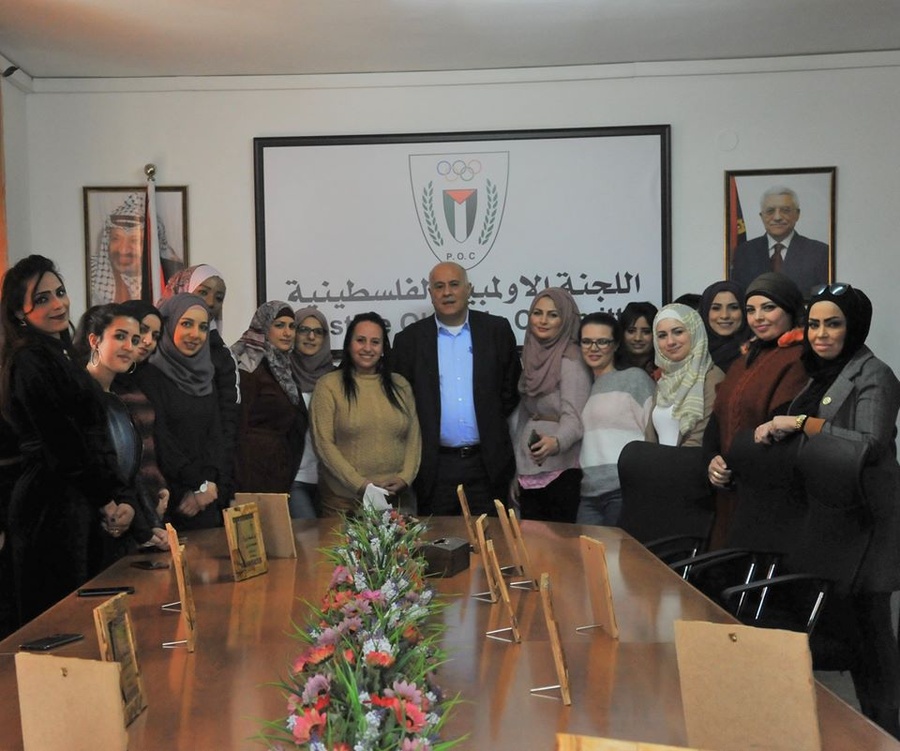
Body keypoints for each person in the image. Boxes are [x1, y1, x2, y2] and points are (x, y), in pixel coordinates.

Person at [752, 283, 900, 737]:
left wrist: (797, 423)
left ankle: (887, 731)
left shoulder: (874, 373)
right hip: (828, 521)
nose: (821, 333)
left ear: (853, 326)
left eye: (832, 323)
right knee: (847, 636)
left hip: (866, 524)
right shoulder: (820, 372)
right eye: (814, 323)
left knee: (873, 639)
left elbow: (869, 443)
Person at [0, 256, 133, 623]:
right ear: (18, 313)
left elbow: (90, 436)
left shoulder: (60, 354)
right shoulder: (29, 360)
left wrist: (116, 497)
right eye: (41, 299)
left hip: (73, 497)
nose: (58, 304)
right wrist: (106, 500)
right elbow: (63, 443)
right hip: (49, 503)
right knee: (58, 623)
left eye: (59, 292)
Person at [393, 262, 521, 517]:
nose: (446, 292)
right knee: (437, 548)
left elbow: (510, 391)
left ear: (468, 289)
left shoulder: (496, 331)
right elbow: (401, 402)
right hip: (435, 466)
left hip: (486, 465)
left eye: (454, 284)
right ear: (430, 293)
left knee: (493, 547)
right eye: (439, 286)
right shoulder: (409, 341)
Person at [704, 272, 809, 545]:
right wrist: (713, 459)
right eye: (751, 310)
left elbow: (781, 430)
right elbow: (718, 419)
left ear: (789, 309)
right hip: (728, 490)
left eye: (768, 308)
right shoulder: (744, 359)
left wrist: (734, 464)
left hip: (766, 495)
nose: (757, 317)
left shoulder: (800, 358)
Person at [73, 304, 167, 556]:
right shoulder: (78, 393)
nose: (130, 346)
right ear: (94, 340)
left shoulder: (115, 398)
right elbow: (83, 463)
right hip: (81, 523)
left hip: (115, 523)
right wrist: (111, 508)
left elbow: (126, 470)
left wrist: (145, 528)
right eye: (119, 336)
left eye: (134, 339)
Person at [310, 312, 421, 516]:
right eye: (360, 340)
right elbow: (324, 445)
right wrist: (361, 485)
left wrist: (405, 477)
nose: (367, 348)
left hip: (397, 502)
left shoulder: (400, 386)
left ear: (383, 348)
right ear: (349, 344)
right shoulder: (328, 386)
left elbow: (414, 438)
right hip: (345, 504)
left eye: (375, 342)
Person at [136, 293, 224, 530]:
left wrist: (208, 484)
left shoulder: (206, 374)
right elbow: (161, 440)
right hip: (172, 498)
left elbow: (216, 435)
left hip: (206, 498)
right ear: (169, 324)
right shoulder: (149, 377)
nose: (195, 334)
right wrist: (195, 486)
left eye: (203, 327)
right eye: (186, 324)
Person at [159, 264, 238, 506]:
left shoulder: (214, 360)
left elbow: (220, 430)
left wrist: (214, 485)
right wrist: (196, 485)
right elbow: (160, 439)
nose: (211, 302)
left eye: (219, 297)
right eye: (203, 292)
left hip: (208, 490)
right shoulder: (151, 367)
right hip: (168, 493)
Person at [512, 288, 591, 523]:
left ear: (565, 319)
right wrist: (517, 470)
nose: (543, 321)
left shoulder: (571, 359)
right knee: (533, 550)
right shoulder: (531, 357)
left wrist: (556, 443)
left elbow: (575, 419)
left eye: (553, 315)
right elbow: (524, 419)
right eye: (537, 313)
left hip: (561, 470)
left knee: (559, 551)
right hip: (529, 469)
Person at [577, 312, 654, 526]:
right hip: (589, 492)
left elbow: (653, 432)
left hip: (624, 489)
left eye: (602, 342)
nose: (594, 348)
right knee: (586, 558)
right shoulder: (582, 387)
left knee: (620, 559)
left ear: (616, 344)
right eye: (587, 341)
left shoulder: (634, 378)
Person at [231, 301, 308, 497]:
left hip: (277, 469)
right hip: (249, 472)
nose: (287, 333)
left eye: (292, 326)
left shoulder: (284, 368)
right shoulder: (249, 367)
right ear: (264, 327)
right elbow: (238, 425)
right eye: (279, 325)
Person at [113, 299, 170, 548]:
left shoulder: (144, 378)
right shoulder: (108, 381)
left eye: (155, 335)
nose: (147, 341)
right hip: (124, 506)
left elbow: (150, 444)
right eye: (143, 331)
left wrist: (160, 485)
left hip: (150, 498)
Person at [730, 186, 829, 298]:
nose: (777, 217)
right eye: (770, 211)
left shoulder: (819, 252)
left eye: (785, 210)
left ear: (797, 214)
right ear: (761, 216)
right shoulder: (744, 252)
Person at [648, 303, 724, 447]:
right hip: (658, 465)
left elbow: (702, 437)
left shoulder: (712, 377)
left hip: (692, 464)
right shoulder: (664, 380)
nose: (670, 342)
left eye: (678, 332)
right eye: (662, 335)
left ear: (694, 331)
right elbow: (651, 438)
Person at [90, 192, 183, 305]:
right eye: (116, 239)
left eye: (134, 240)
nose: (123, 250)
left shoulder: (175, 275)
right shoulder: (94, 271)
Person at [289, 307, 333, 519]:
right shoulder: (282, 375)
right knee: (309, 542)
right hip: (295, 477)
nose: (311, 336)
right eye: (303, 329)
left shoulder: (336, 378)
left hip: (331, 482)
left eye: (318, 331)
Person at [699, 280, 750, 373]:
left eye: (734, 307)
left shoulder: (756, 354)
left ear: (744, 311)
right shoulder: (693, 354)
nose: (725, 315)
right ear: (705, 312)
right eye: (716, 308)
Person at [618, 301, 658, 377]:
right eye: (631, 331)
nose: (638, 338)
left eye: (646, 332)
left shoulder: (665, 372)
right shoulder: (612, 367)